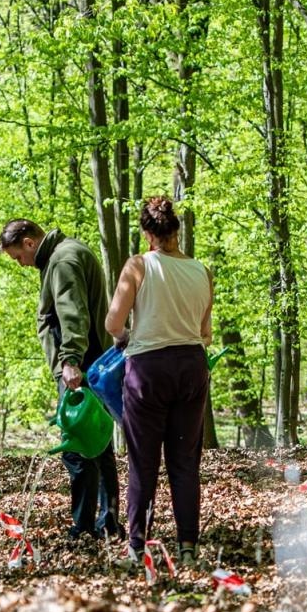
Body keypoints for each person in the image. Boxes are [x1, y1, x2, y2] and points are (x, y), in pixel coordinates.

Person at [105, 197, 213, 570]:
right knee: (184, 462)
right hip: (192, 367)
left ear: (147, 234)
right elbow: (205, 332)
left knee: (143, 461)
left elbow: (113, 324)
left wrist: (129, 335)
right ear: (177, 230)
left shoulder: (138, 266)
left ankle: (138, 547)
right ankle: (187, 546)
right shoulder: (202, 270)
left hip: (148, 370)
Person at [0, 219, 122, 541]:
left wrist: (69, 360)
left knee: (78, 449)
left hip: (80, 368)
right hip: (90, 364)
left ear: (28, 242)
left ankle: (85, 526)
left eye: (18, 257)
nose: (21, 264)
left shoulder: (62, 260)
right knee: (98, 446)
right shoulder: (68, 252)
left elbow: (73, 314)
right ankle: (106, 522)